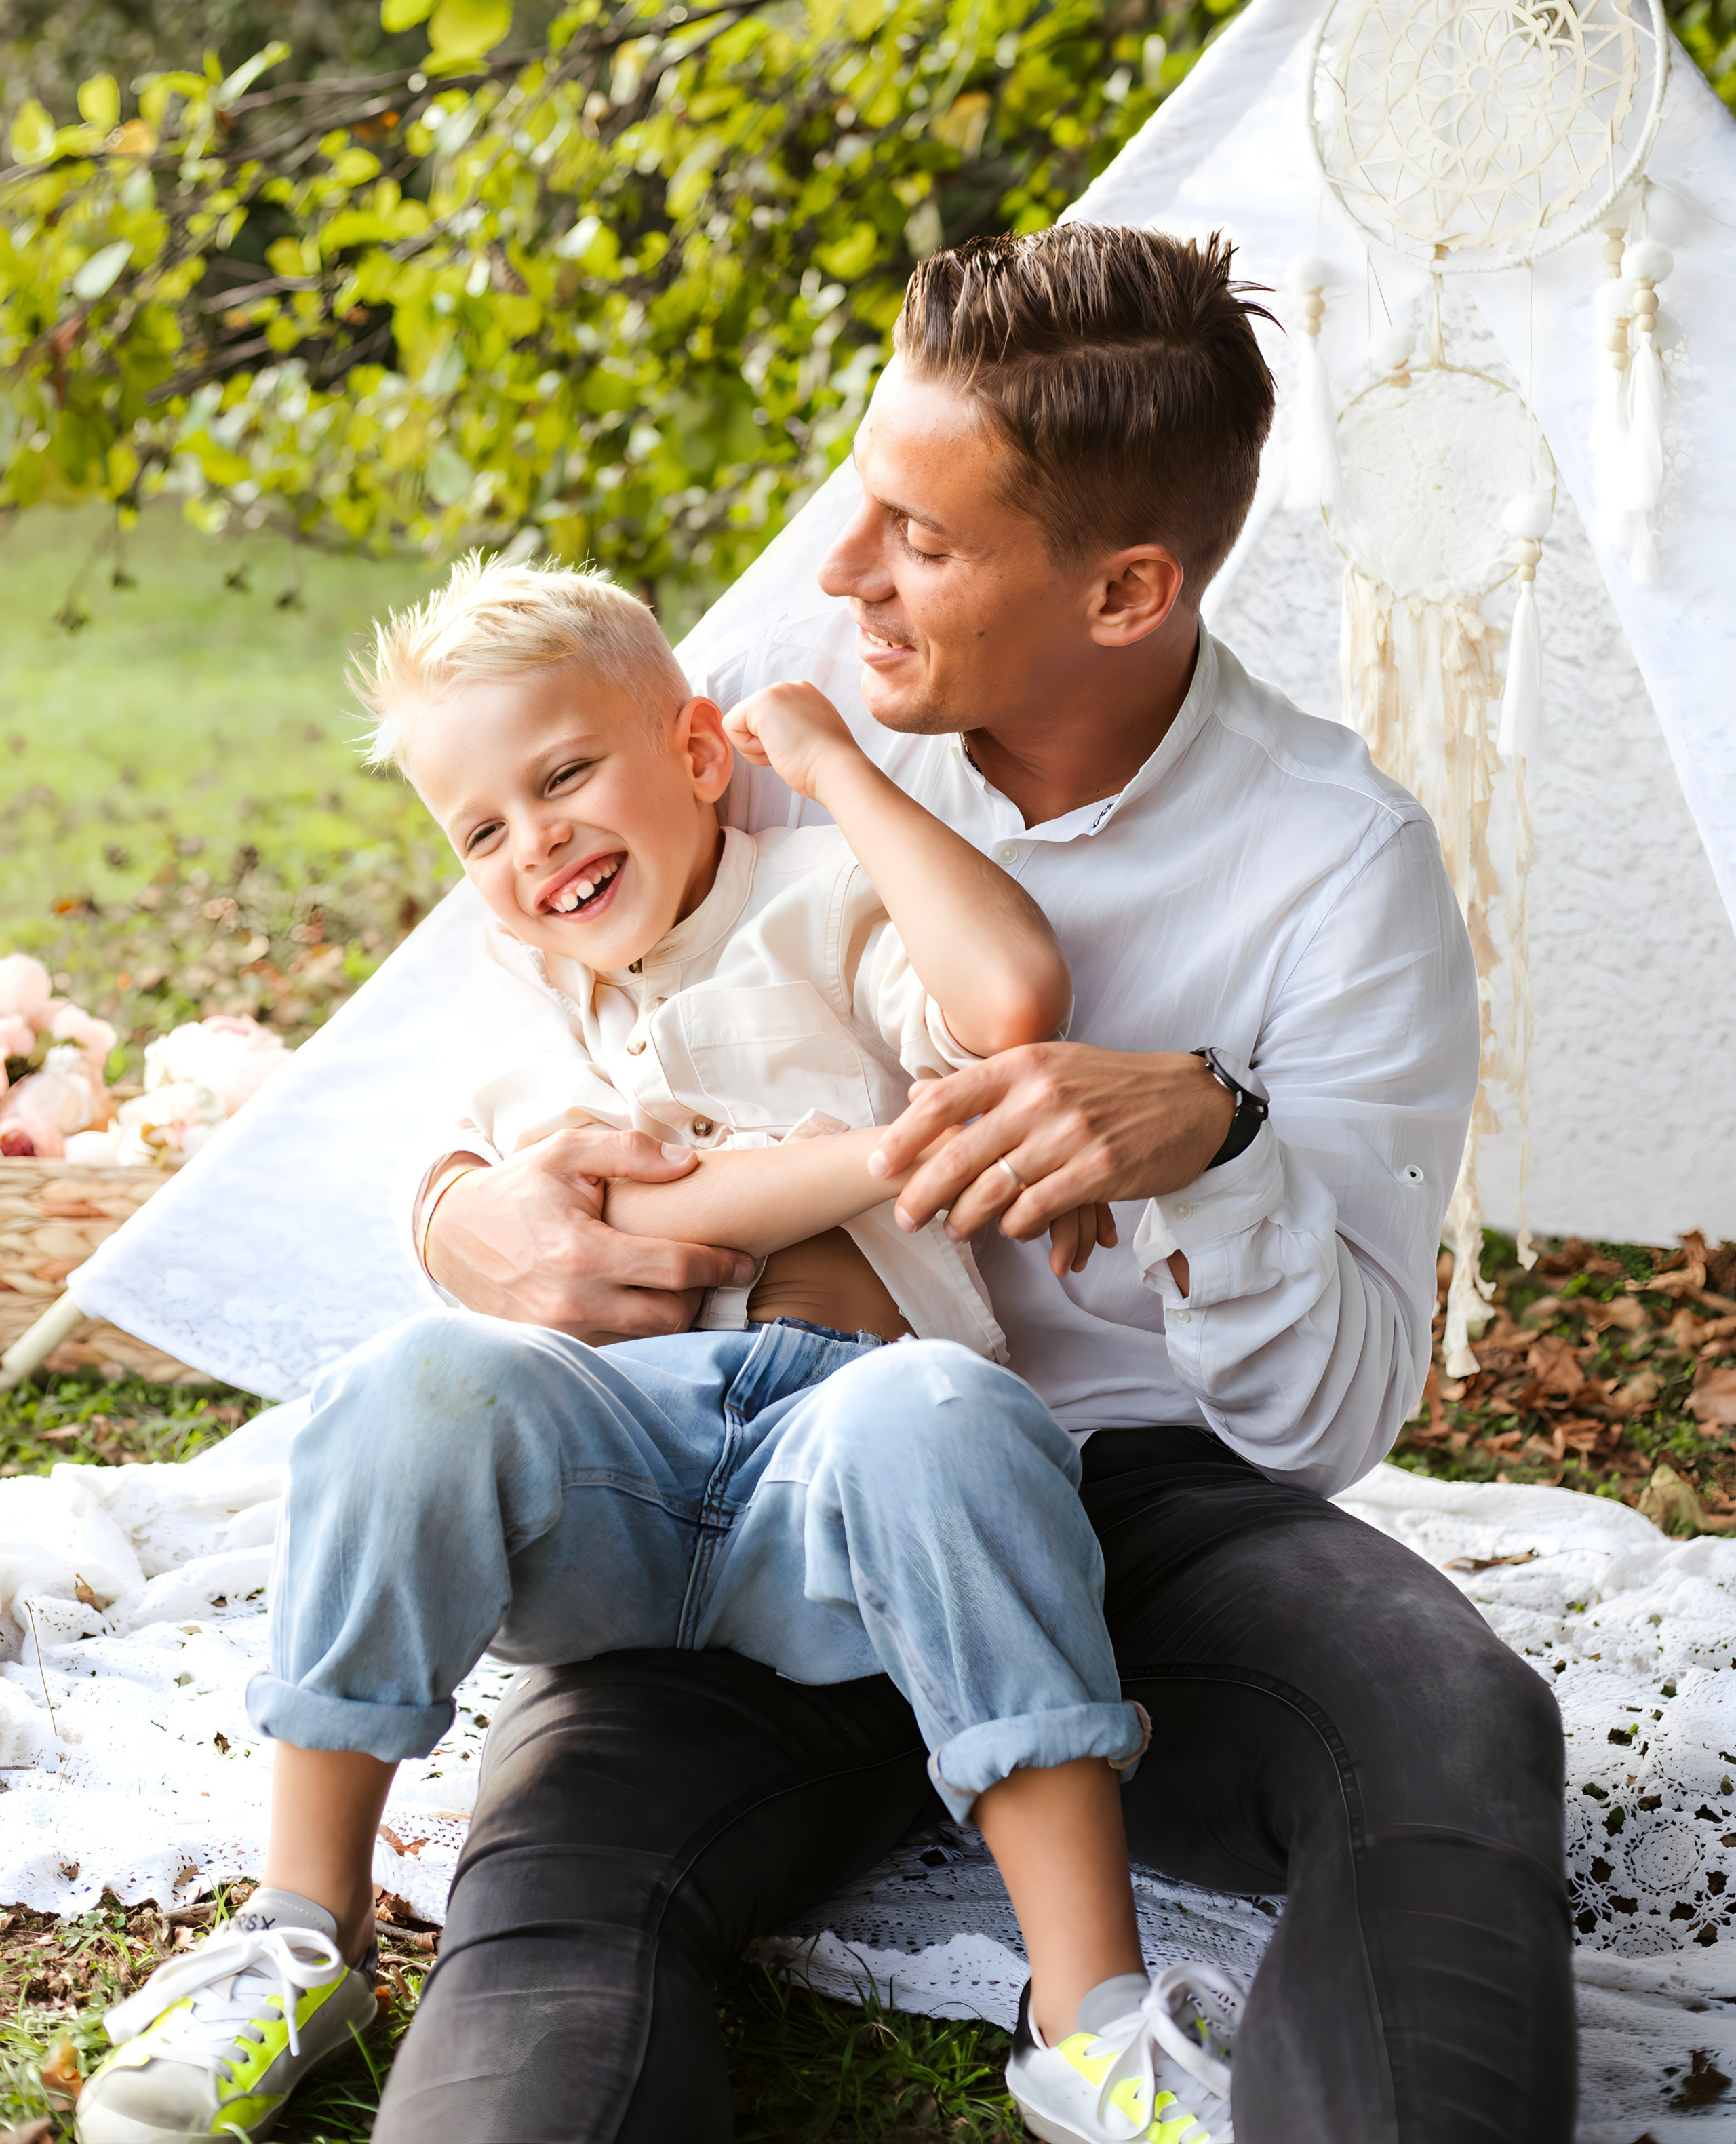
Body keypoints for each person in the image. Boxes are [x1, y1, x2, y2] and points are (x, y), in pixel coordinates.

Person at [368, 225, 1574, 2144]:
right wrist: (456, 1206)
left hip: (1141, 1512)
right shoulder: (763, 703)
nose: (843, 568)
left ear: (1128, 587)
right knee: (555, 1877)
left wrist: (1217, 1142)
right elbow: (519, 987)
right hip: (757, 1483)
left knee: (1454, 1729)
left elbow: (1337, 1413)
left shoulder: (1344, 877)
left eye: (920, 539)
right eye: (864, 501)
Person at [76, 558, 1240, 2144]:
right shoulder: (517, 994)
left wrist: (830, 767)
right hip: (614, 1473)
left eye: (564, 773)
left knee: (950, 1413)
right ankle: (299, 1929)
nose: (533, 840)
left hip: (841, 1481)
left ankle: (1090, 2014)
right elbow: (657, 1198)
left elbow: (1009, 994)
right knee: (405, 1385)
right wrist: (900, 1146)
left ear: (697, 754)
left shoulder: (820, 896)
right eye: (479, 827)